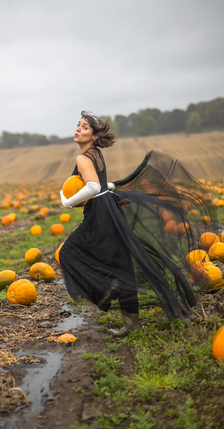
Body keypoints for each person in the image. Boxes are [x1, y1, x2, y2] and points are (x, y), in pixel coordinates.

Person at [59, 111, 216, 337]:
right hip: (108, 209)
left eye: (84, 127)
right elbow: (100, 185)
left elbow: (92, 187)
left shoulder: (82, 158)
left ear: (94, 136)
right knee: (121, 261)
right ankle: (130, 322)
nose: (78, 129)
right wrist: (109, 186)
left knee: (69, 253)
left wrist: (67, 202)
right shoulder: (96, 154)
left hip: (100, 214)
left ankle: (108, 288)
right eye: (78, 125)